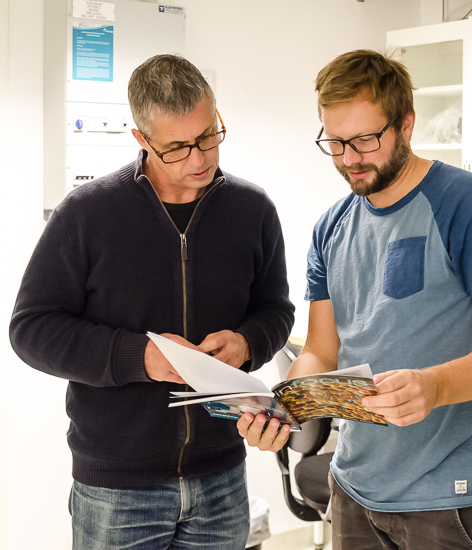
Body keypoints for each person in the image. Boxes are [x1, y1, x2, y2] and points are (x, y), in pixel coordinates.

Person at [237, 49, 472, 550]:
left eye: (365, 139)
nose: (349, 158)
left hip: (452, 498)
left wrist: (436, 386)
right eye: (334, 142)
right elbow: (321, 352)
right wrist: (281, 409)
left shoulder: (468, 204)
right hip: (355, 486)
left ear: (406, 125)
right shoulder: (332, 226)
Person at [10, 54, 294, 549]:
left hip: (222, 480)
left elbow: (276, 310)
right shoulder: (87, 213)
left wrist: (247, 342)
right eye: (178, 147)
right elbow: (31, 329)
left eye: (209, 135)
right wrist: (137, 357)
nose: (199, 158)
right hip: (117, 488)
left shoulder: (253, 210)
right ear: (141, 139)